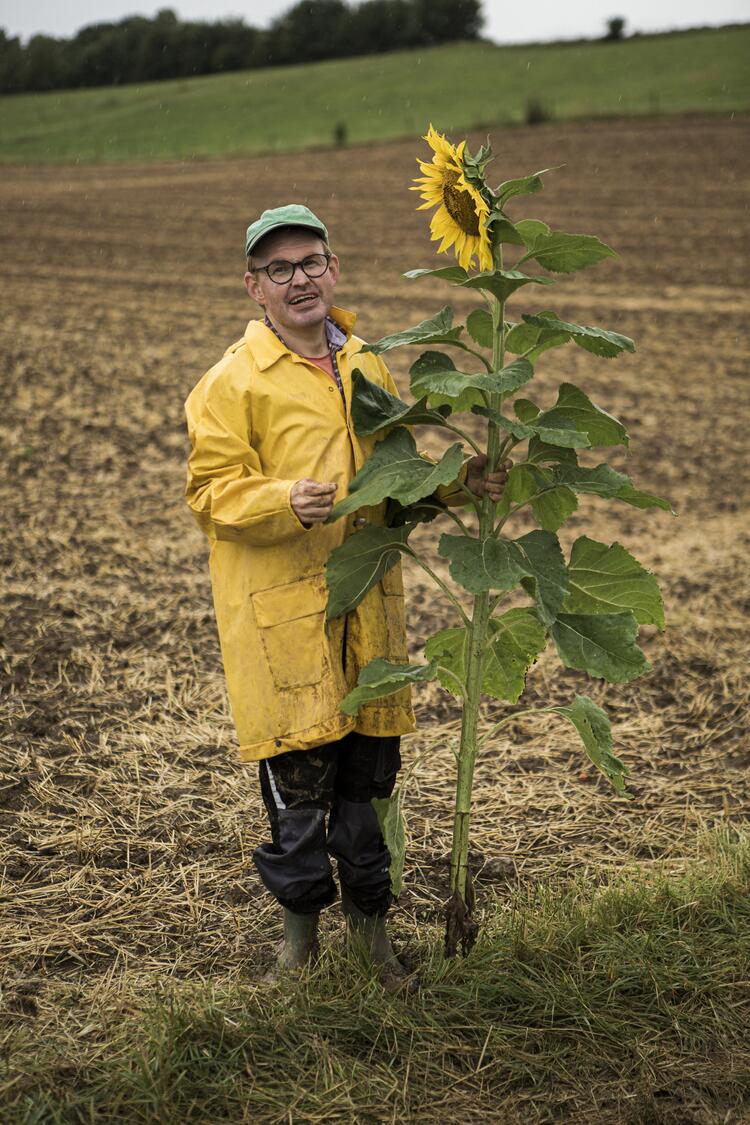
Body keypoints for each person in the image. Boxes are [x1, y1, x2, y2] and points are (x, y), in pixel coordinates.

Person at [184, 204, 510, 989]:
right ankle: (297, 952)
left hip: (368, 606)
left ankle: (377, 944)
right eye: (278, 269)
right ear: (253, 288)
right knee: (298, 809)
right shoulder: (232, 381)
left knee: (368, 794)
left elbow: (393, 486)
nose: (298, 279)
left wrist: (458, 487)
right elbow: (208, 490)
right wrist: (279, 499)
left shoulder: (368, 365)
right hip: (284, 620)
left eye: (310, 262)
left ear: (335, 270)